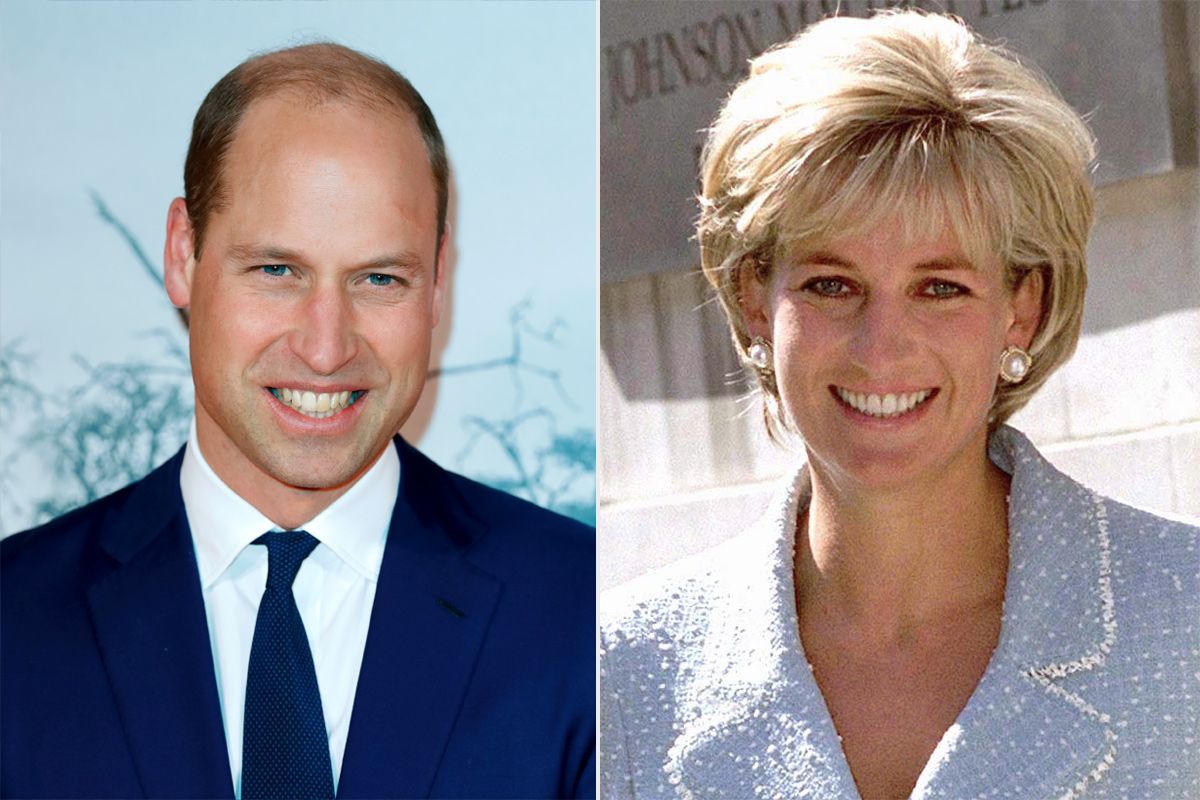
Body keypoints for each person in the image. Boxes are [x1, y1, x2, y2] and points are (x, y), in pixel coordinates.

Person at [599, 11, 1198, 800]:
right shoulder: (619, 676)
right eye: (831, 285)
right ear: (753, 303)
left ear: (1020, 308)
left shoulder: (1184, 626)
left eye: (940, 287)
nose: (881, 349)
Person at [2, 43, 595, 800]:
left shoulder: (576, 615)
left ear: (439, 281)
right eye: (277, 272)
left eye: (380, 279)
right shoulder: (15, 625)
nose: (325, 347)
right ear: (184, 254)